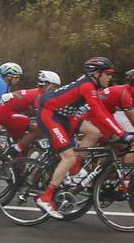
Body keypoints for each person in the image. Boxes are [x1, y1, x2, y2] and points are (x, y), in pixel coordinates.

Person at [34, 56, 121, 217]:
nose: (110, 78)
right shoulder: (87, 86)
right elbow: (100, 114)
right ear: (96, 73)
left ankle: (74, 173)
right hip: (50, 115)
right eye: (107, 74)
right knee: (68, 157)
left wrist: (120, 132)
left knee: (94, 132)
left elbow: (102, 112)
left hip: (64, 116)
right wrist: (122, 133)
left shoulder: (91, 85)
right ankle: (45, 198)